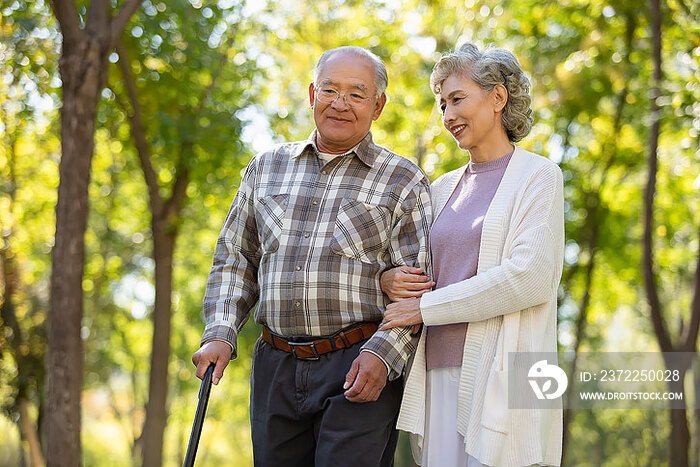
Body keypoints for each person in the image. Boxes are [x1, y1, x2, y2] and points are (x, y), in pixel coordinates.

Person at [192, 45, 432, 467]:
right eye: (330, 90)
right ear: (311, 95)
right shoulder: (265, 167)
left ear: (378, 106)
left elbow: (416, 288)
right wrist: (219, 331)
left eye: (357, 94)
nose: (340, 103)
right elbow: (235, 258)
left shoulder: (404, 179)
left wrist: (384, 354)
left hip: (357, 363)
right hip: (275, 365)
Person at [379, 42, 564, 467]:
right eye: (442, 104)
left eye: (457, 99)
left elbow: (530, 277)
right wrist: (390, 280)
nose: (447, 117)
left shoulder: (539, 177)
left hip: (506, 375)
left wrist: (425, 307)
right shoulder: (440, 188)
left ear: (498, 97)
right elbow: (416, 272)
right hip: (436, 373)